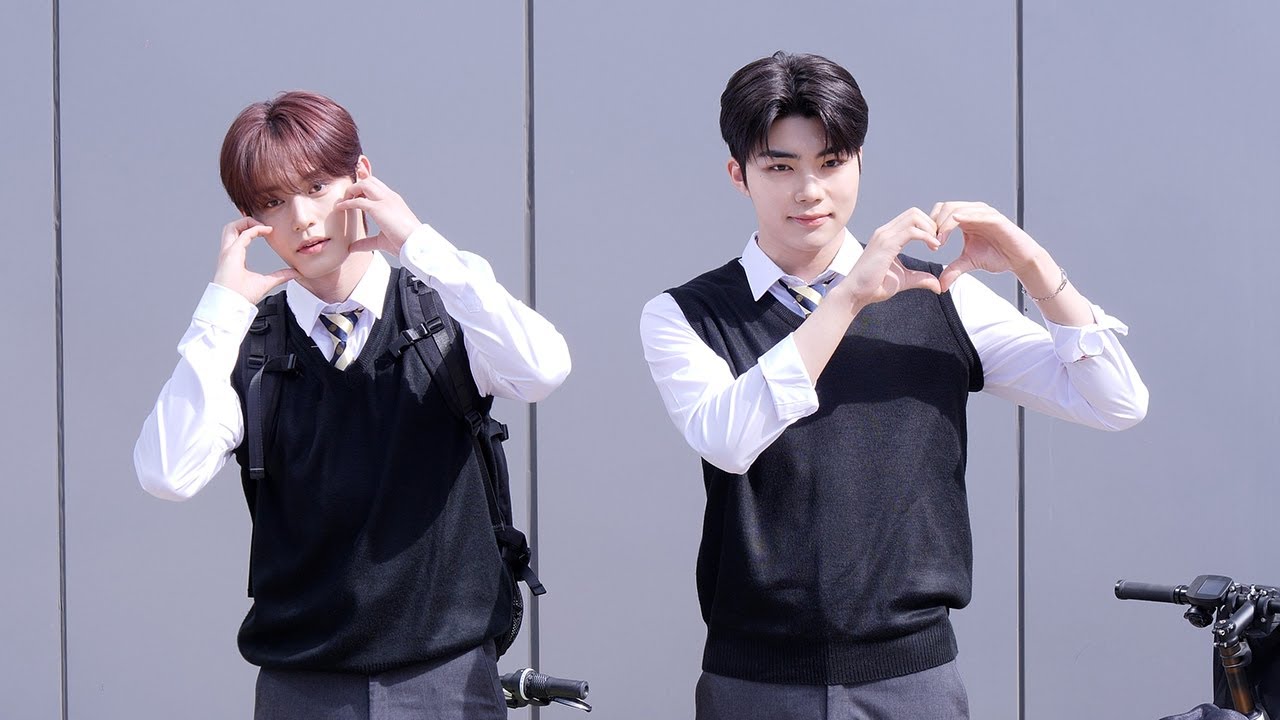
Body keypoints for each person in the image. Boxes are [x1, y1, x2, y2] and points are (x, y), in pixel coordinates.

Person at [640, 51, 1148, 719]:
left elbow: (1116, 401)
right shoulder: (685, 314)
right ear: (739, 175)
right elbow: (729, 441)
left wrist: (1031, 263)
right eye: (780, 167)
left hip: (913, 679)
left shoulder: (939, 293)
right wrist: (848, 298)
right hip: (754, 683)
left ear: (859, 163)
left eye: (831, 162)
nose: (810, 191)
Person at [134, 91, 571, 720]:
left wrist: (418, 242)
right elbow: (166, 474)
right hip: (302, 687)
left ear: (361, 176)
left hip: (447, 680)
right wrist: (220, 311)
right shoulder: (246, 345)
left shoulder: (443, 308)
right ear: (248, 219)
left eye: (317, 187)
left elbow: (543, 368)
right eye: (272, 202)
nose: (302, 219)